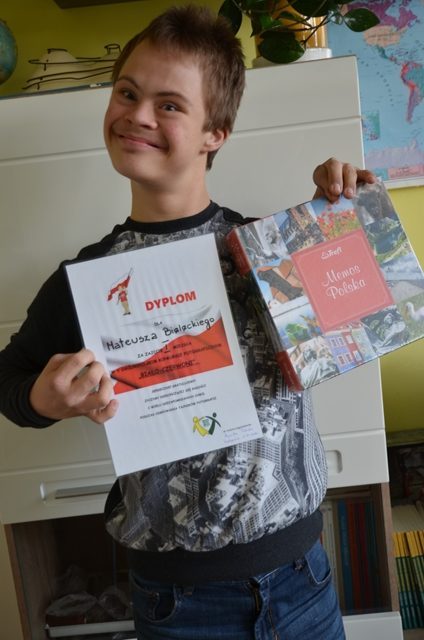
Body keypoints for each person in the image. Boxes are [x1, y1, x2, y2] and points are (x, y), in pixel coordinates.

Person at [0, 5, 377, 640]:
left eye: (170, 104)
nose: (139, 115)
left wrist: (345, 217)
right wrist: (44, 398)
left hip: (302, 581)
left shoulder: (270, 249)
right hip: (178, 606)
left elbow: (365, 322)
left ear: (215, 134)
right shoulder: (87, 278)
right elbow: (8, 379)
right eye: (127, 93)